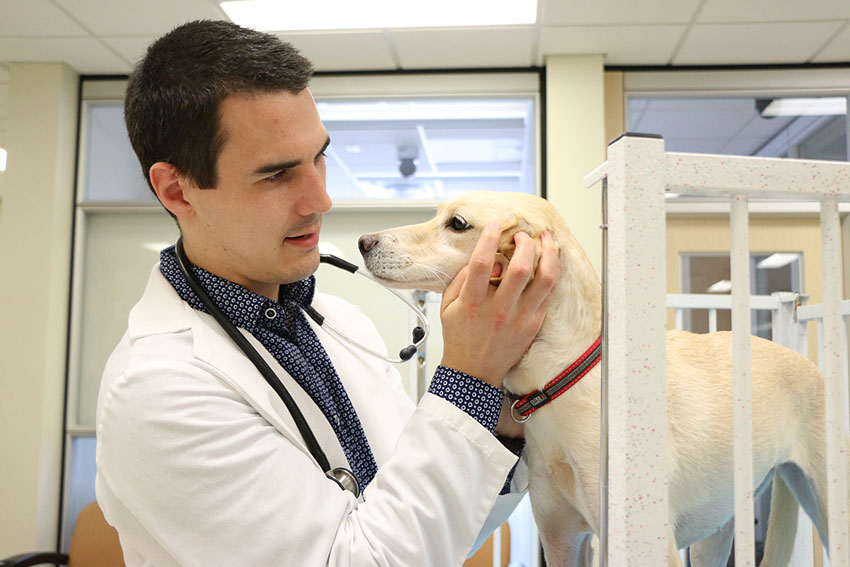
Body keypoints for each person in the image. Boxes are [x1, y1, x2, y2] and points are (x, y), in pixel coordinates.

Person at [95, 19, 559, 567]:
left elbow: (434, 528)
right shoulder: (158, 391)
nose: (321, 198)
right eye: (275, 175)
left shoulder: (340, 324)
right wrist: (469, 376)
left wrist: (501, 410)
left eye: (319, 156)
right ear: (178, 190)